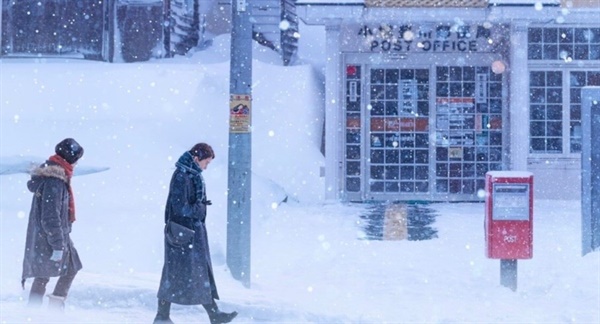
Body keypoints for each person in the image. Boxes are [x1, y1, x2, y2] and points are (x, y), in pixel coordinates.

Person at [154, 143, 237, 324]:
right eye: (206, 162)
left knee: (191, 274)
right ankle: (162, 316)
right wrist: (198, 208)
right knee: (176, 274)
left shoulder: (191, 175)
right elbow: (179, 207)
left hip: (189, 233)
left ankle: (212, 314)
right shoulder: (182, 177)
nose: (206, 167)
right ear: (197, 158)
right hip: (182, 235)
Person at [21, 138, 85, 311]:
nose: (77, 163)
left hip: (54, 233)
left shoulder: (56, 176)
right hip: (50, 235)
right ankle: (42, 312)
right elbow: (50, 218)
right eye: (77, 159)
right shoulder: (54, 182)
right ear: (70, 159)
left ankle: (45, 308)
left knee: (65, 267)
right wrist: (57, 244)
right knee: (47, 273)